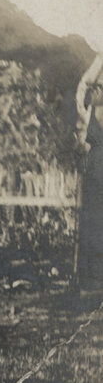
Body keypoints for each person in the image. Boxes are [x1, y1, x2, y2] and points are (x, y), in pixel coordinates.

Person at [76, 54, 103, 291]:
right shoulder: (100, 60)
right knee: (94, 216)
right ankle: (93, 278)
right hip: (97, 160)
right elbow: (83, 89)